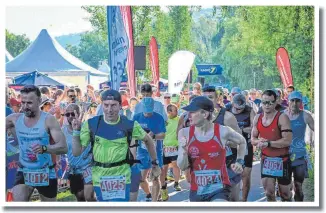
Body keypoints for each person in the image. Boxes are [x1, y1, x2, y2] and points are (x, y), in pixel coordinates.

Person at [72, 89, 161, 202]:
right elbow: (76, 152)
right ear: (102, 105)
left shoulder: (129, 125)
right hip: (100, 177)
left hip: (122, 176)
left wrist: (155, 162)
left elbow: (148, 140)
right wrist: (76, 132)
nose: (109, 110)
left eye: (113, 105)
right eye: (106, 105)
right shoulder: (91, 124)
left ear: (120, 106)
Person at [177, 96, 247, 202]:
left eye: (192, 112)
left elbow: (242, 141)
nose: (188, 116)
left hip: (219, 188)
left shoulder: (223, 131)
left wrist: (239, 161)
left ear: (205, 114)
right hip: (197, 189)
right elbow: (182, 166)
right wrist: (183, 151)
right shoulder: (184, 133)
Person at [6, 85, 67, 201]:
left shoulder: (49, 120)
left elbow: (63, 147)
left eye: (29, 103)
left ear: (39, 101)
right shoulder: (14, 119)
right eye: (22, 102)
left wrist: (45, 148)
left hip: (45, 171)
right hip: (24, 170)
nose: (24, 107)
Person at [202, 86, 243, 201]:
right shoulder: (197, 117)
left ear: (218, 99)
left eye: (210, 97)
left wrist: (224, 141)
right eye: (204, 98)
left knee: (232, 200)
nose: (207, 101)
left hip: (229, 165)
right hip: (208, 167)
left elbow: (240, 143)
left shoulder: (227, 117)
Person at [251, 89, 293, 202]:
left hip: (282, 159)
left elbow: (287, 141)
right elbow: (253, 139)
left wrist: (268, 143)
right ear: (261, 103)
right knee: (269, 193)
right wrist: (258, 142)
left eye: (270, 102)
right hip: (266, 160)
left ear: (275, 103)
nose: (267, 105)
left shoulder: (282, 117)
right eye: (264, 102)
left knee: (285, 194)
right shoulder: (257, 118)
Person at [133, 97, 166, 202]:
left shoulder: (159, 117)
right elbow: (131, 135)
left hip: (156, 151)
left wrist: (153, 136)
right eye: (146, 111)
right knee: (141, 179)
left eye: (149, 111)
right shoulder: (136, 117)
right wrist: (142, 137)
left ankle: (154, 203)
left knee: (155, 177)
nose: (147, 113)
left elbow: (163, 135)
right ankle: (149, 194)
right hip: (142, 151)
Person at [284, 91, 314, 201]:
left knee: (298, 186)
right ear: (288, 101)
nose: (295, 103)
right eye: (292, 100)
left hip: (299, 156)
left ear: (301, 102)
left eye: (297, 101)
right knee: (285, 189)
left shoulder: (305, 115)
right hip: (283, 156)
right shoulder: (282, 115)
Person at [62, 103, 96, 201]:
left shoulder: (88, 127)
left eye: (73, 113)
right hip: (74, 169)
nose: (70, 116)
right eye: (67, 114)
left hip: (88, 166)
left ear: (80, 114)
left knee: (88, 197)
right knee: (80, 198)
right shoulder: (63, 131)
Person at [227, 94, 256, 201]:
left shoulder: (249, 110)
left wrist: (240, 130)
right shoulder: (226, 109)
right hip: (231, 147)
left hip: (246, 146)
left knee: (245, 175)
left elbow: (254, 128)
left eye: (241, 108)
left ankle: (244, 202)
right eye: (236, 108)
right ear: (232, 103)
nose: (239, 110)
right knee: (231, 176)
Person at [160, 104, 182, 201]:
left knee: (175, 165)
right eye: (174, 110)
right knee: (164, 168)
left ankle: (177, 183)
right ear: (169, 112)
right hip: (165, 147)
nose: (176, 112)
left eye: (176, 110)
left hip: (175, 147)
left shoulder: (179, 119)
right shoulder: (164, 120)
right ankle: (163, 185)